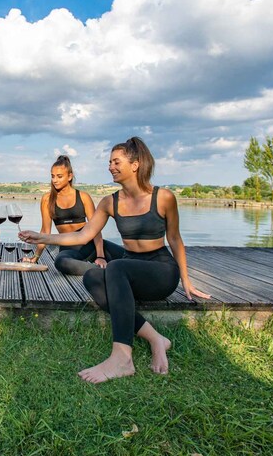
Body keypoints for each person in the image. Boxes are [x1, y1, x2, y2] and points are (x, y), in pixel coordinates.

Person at [19, 137, 210, 383]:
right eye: (109, 162)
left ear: (136, 164)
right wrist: (41, 237)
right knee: (92, 276)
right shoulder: (110, 202)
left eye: (116, 161)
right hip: (130, 266)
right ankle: (155, 338)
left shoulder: (163, 198)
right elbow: (84, 235)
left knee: (115, 267)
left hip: (161, 271)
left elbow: (175, 240)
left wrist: (186, 280)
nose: (111, 166)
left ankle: (122, 357)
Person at [23, 154, 123, 274]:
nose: (55, 180)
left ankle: (112, 267)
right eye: (52, 176)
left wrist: (101, 256)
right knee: (61, 262)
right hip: (69, 248)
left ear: (70, 176)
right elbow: (45, 231)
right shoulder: (47, 199)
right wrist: (35, 257)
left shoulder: (83, 197)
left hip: (90, 246)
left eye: (59, 176)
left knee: (128, 256)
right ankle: (103, 271)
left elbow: (95, 229)